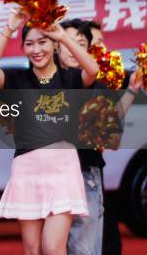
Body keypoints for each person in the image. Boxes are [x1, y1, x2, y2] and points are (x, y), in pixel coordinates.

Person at [0, 8, 99, 255]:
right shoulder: (17, 80)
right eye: (29, 44)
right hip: (27, 170)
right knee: (33, 250)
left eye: (43, 42)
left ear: (54, 45)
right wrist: (9, 29)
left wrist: (63, 36)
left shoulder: (70, 78)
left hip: (63, 171)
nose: (36, 50)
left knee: (53, 248)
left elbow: (92, 70)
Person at [58, 19, 143, 255]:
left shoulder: (95, 83)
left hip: (86, 172)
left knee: (87, 247)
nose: (74, 48)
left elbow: (110, 135)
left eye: (82, 43)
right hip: (50, 176)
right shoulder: (44, 80)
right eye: (67, 42)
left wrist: (132, 90)